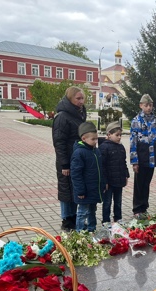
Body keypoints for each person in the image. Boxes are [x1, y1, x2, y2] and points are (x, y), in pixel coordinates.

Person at [52, 86, 86, 231]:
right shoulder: (62, 117)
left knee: (75, 189)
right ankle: (67, 221)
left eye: (82, 98)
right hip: (66, 161)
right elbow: (59, 142)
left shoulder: (79, 114)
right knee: (66, 190)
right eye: (78, 98)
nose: (81, 101)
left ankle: (74, 218)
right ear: (70, 99)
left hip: (77, 160)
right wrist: (65, 164)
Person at [130, 94, 156, 219]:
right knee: (139, 184)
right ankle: (137, 208)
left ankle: (144, 207)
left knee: (147, 183)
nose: (149, 108)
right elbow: (133, 142)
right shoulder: (136, 121)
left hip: (152, 157)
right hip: (141, 156)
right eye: (146, 105)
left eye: (150, 105)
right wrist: (134, 161)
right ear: (141, 105)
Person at [70, 122, 105, 233]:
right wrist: (80, 190)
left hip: (94, 189)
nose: (95, 142)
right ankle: (79, 232)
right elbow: (76, 174)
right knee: (82, 212)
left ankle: (91, 229)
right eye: (93, 139)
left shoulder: (96, 151)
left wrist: (103, 184)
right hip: (84, 191)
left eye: (96, 139)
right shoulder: (79, 153)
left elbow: (101, 170)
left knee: (92, 211)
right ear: (84, 138)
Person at [99, 121, 129, 223]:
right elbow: (102, 166)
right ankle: (106, 221)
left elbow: (123, 162)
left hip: (119, 180)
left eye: (120, 135)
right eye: (117, 135)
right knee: (107, 202)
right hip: (109, 182)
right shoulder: (104, 147)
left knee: (118, 201)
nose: (119, 137)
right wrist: (105, 181)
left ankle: (118, 218)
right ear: (109, 135)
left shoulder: (121, 147)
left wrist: (126, 175)